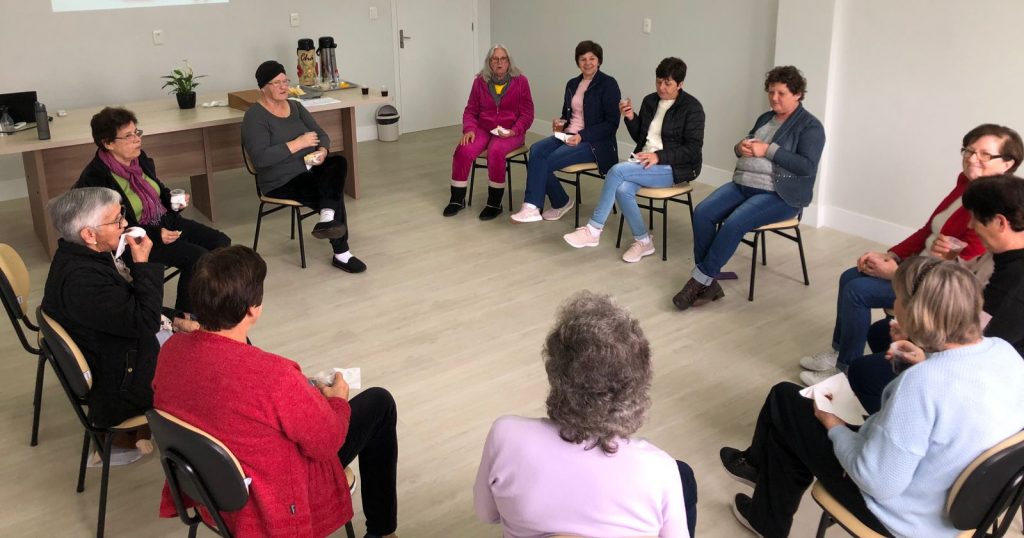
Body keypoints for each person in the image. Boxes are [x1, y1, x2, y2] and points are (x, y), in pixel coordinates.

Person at [721, 257, 1024, 537]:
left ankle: (765, 508)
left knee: (786, 400)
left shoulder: (921, 385)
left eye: (897, 299)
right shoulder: (1006, 353)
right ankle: (763, 498)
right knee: (792, 417)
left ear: (916, 312)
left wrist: (834, 426)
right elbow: (956, 393)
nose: (894, 305)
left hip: (901, 518)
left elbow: (876, 482)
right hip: (964, 508)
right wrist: (926, 359)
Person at [153, 245, 398, 537]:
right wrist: (338, 402)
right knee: (379, 403)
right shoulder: (275, 375)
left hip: (206, 488)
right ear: (253, 309)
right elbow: (327, 442)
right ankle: (382, 532)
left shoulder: (171, 350)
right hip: (269, 500)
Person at [798, 123, 1022, 385]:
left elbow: (962, 292)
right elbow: (929, 230)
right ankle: (840, 352)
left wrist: (898, 273)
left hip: (930, 283)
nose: (972, 158)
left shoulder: (997, 214)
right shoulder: (966, 187)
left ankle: (844, 370)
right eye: (969, 150)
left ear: (1008, 163)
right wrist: (892, 255)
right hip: (924, 268)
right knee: (851, 276)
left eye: (984, 154)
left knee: (857, 291)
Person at [474, 291, 697, 538]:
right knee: (684, 475)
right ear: (639, 384)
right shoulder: (660, 471)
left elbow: (487, 514)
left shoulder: (505, 435)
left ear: (554, 371)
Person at [849, 174, 1024, 413]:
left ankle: (908, 420)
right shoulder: (1002, 256)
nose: (970, 226)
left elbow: (976, 347)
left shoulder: (1014, 284)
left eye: (975, 219)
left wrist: (922, 346)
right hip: (971, 346)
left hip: (986, 377)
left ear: (1000, 223)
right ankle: (899, 401)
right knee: (880, 332)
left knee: (863, 372)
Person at [40, 187, 196, 444]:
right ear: (89, 234)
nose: (125, 224)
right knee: (217, 359)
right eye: (116, 220)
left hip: (120, 352)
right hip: (123, 382)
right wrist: (144, 264)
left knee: (207, 334)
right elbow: (144, 321)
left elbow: (124, 306)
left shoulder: (81, 256)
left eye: (121, 215)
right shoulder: (82, 282)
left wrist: (176, 319)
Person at [672, 66, 824, 309]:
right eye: (771, 92)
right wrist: (739, 147)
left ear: (797, 94)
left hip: (780, 195)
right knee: (702, 212)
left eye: (781, 93)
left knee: (734, 223)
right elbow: (745, 146)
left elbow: (806, 166)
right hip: (743, 184)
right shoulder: (765, 118)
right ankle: (709, 282)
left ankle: (698, 282)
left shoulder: (810, 127)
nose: (774, 98)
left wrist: (769, 150)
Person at [75, 106, 231, 313]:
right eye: (128, 136)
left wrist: (173, 201)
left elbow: (158, 190)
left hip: (164, 221)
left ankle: (207, 300)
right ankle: (185, 316)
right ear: (108, 143)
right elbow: (112, 226)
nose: (137, 139)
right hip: (136, 240)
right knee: (196, 258)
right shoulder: (96, 177)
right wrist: (156, 234)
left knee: (221, 243)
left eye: (137, 132)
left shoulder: (139, 159)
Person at [563, 57, 705, 262]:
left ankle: (593, 230)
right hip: (644, 161)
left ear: (680, 84)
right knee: (622, 189)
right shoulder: (650, 101)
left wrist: (658, 156)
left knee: (617, 171)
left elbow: (693, 149)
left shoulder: (692, 108)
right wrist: (630, 117)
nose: (661, 88)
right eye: (658, 81)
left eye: (667, 83)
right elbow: (641, 137)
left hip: (675, 167)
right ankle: (644, 240)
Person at [242, 60, 365, 273]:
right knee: (332, 192)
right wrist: (298, 143)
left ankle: (327, 217)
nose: (284, 86)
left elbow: (322, 135)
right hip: (279, 179)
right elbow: (260, 159)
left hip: (307, 167)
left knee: (338, 162)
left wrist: (322, 151)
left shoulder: (296, 106)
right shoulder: (255, 116)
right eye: (277, 83)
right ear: (263, 88)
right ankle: (341, 252)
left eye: (285, 81)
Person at [510, 40, 621, 223]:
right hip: (568, 135)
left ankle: (533, 206)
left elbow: (611, 124)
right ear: (577, 62)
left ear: (599, 61)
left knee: (544, 161)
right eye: (583, 59)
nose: (587, 63)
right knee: (536, 151)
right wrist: (560, 123)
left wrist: (582, 136)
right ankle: (560, 201)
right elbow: (567, 115)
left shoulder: (608, 84)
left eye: (592, 58)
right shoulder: (572, 84)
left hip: (594, 143)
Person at [444, 44, 535, 220]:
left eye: (503, 59)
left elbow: (527, 114)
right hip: (483, 128)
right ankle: (457, 199)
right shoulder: (480, 81)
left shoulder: (521, 81)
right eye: (495, 59)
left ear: (509, 62)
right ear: (489, 62)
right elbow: (470, 110)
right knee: (463, 149)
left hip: (511, 131)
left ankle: (494, 203)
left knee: (496, 150)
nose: (499, 63)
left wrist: (514, 131)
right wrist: (469, 129)